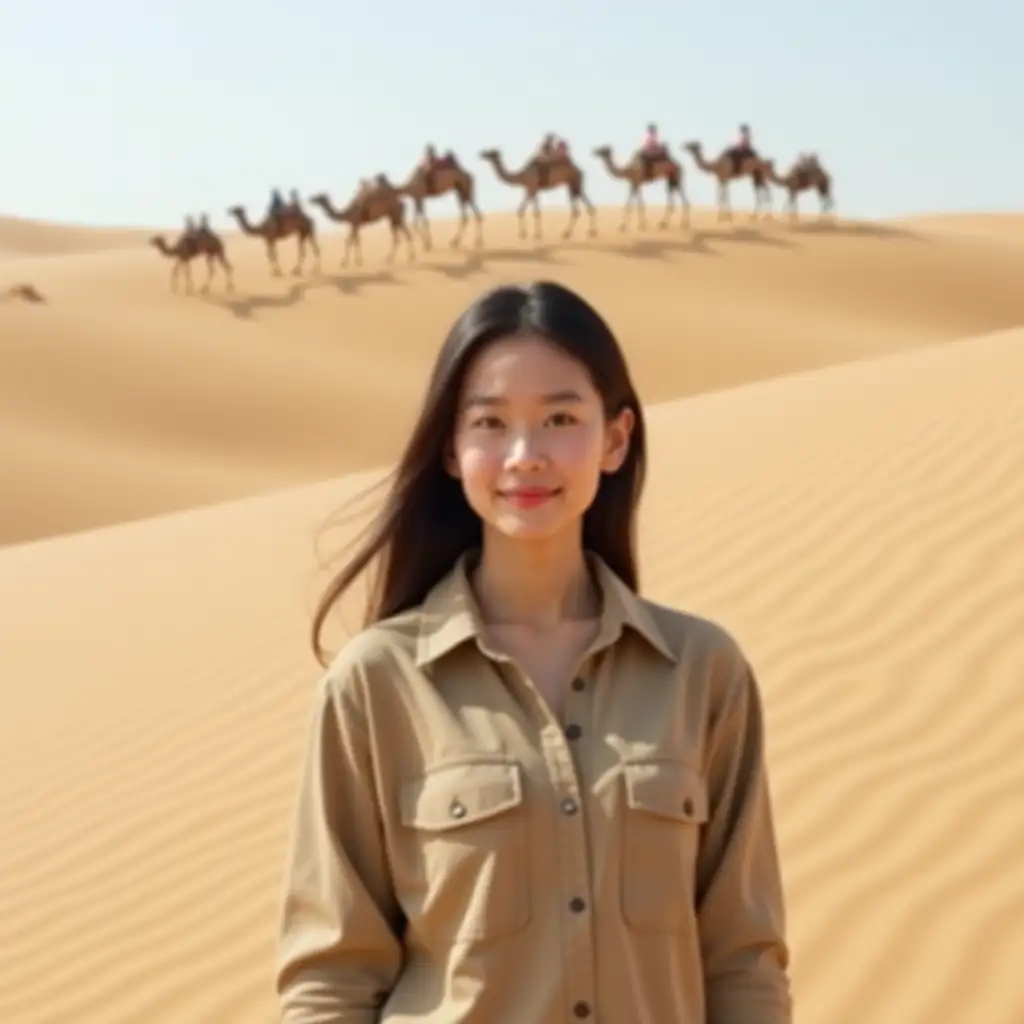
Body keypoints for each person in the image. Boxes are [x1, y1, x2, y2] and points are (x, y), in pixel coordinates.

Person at [275, 281, 793, 1023]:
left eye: (559, 418)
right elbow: (329, 980)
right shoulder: (376, 684)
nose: (525, 456)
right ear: (452, 450)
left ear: (615, 439)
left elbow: (744, 962)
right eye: (490, 422)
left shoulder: (704, 672)